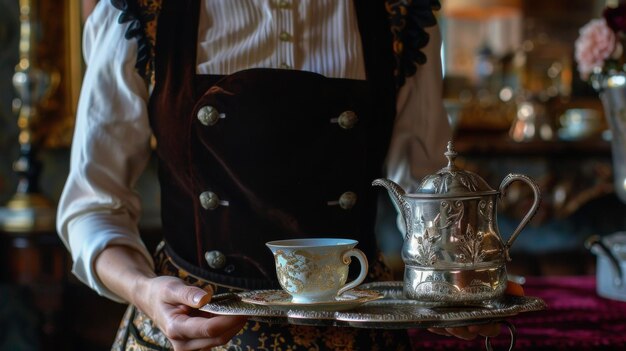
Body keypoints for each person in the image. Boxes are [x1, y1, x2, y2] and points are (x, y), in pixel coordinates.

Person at [57, 0, 502, 350]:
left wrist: (456, 283)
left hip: (356, 333)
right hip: (196, 331)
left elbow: (426, 196)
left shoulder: (398, 13)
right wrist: (144, 291)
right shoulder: (142, 10)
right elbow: (92, 207)